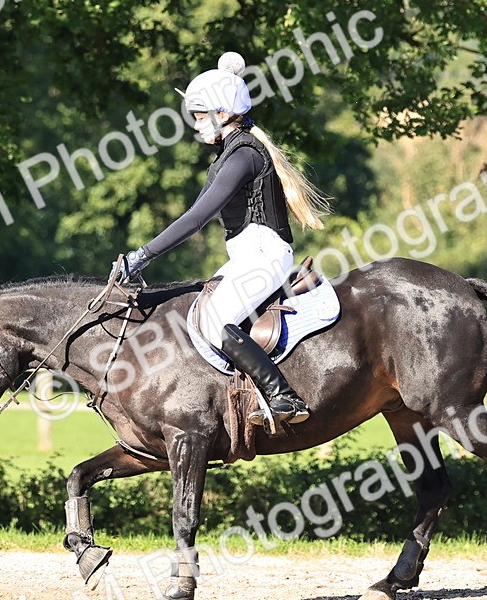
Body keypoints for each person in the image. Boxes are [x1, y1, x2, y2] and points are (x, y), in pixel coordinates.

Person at [113, 52, 330, 427]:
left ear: (221, 111)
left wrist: (143, 255)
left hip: (264, 254)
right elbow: (196, 211)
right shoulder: (228, 154)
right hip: (246, 255)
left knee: (216, 324)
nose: (196, 124)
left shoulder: (243, 154)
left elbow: (196, 219)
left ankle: (284, 398)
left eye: (200, 115)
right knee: (198, 313)